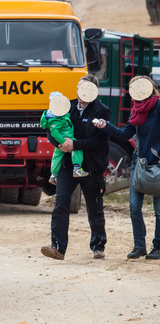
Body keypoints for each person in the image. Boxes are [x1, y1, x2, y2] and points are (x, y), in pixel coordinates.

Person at [41, 75, 111, 261]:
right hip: (67, 165)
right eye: (79, 88)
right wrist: (60, 143)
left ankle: (98, 245)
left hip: (91, 166)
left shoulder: (102, 111)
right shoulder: (67, 106)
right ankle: (57, 247)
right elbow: (50, 128)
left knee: (94, 207)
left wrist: (76, 145)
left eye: (85, 89)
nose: (80, 93)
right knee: (61, 203)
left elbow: (100, 140)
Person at [95, 76, 160, 260]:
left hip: (158, 164)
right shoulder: (136, 110)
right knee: (133, 207)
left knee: (159, 210)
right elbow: (125, 134)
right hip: (139, 163)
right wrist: (105, 125)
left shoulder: (158, 106)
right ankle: (139, 246)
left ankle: (158, 246)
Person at [40, 92, 89, 185]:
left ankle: (53, 175)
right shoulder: (57, 118)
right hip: (67, 138)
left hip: (61, 142)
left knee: (56, 156)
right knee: (77, 149)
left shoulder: (51, 115)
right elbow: (54, 132)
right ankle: (77, 168)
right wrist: (63, 141)